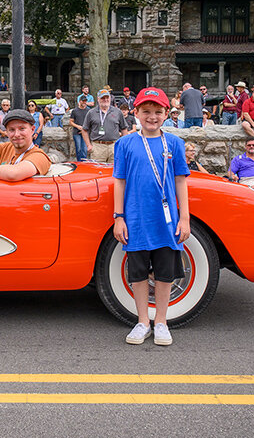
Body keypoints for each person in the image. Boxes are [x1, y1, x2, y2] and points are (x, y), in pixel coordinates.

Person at [112, 87, 191, 347]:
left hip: (166, 221)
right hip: (135, 218)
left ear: (167, 113)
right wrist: (119, 217)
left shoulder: (175, 144)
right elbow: (119, 182)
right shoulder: (125, 144)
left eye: (158, 111)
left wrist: (185, 217)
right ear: (135, 113)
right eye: (146, 111)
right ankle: (143, 320)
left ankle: (161, 322)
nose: (152, 116)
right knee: (138, 272)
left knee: (165, 273)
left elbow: (180, 181)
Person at [82, 89, 128, 163]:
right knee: (97, 171)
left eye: (107, 98)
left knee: (114, 171)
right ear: (98, 99)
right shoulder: (91, 112)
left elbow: (124, 129)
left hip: (114, 146)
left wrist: (124, 144)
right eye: (103, 98)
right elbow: (84, 130)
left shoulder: (117, 112)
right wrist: (88, 145)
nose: (105, 100)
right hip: (98, 147)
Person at [68, 96, 89, 161]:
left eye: (85, 101)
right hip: (76, 132)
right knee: (78, 148)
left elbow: (90, 122)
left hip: (85, 132)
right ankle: (79, 162)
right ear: (79, 101)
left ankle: (84, 163)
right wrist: (77, 126)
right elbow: (70, 122)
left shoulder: (88, 111)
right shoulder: (75, 111)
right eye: (83, 101)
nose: (84, 102)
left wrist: (85, 129)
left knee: (84, 149)